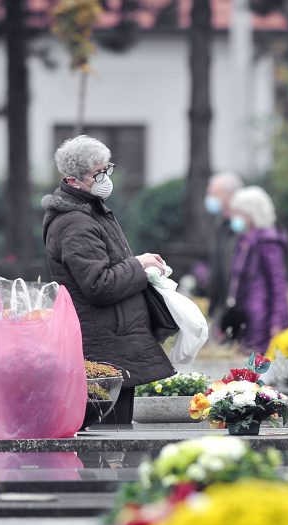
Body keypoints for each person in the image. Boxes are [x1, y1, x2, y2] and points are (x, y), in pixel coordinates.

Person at [42, 135, 174, 424]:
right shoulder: (75, 223)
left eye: (107, 169)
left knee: (117, 435)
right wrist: (138, 266)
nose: (105, 179)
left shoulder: (90, 211)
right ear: (72, 180)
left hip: (113, 340)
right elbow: (98, 284)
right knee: (109, 442)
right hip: (103, 345)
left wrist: (139, 264)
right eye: (97, 174)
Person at [224, 186, 288, 354]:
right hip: (245, 317)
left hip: (263, 320)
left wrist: (277, 323)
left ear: (251, 214)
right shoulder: (243, 241)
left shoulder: (268, 241)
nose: (234, 217)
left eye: (239, 213)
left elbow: (278, 284)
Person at [204, 171, 244, 324]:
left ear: (229, 194)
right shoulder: (220, 223)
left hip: (238, 306)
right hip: (220, 304)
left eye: (214, 194)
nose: (210, 199)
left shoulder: (244, 226)